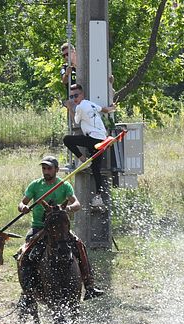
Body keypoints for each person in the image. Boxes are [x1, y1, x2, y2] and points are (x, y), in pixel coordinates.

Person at [17, 156, 104, 300]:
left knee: (79, 245)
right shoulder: (35, 185)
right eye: (44, 168)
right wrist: (23, 207)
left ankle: (89, 286)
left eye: (49, 168)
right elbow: (21, 203)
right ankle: (27, 292)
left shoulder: (64, 185)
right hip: (39, 227)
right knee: (25, 253)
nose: (46, 171)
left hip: (60, 229)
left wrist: (68, 208)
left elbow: (77, 204)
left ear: (56, 170)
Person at [63, 83, 116, 200]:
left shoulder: (80, 107)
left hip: (94, 139)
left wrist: (69, 108)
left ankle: (83, 160)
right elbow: (105, 110)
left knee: (67, 139)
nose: (74, 99)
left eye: (76, 95)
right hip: (102, 139)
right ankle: (98, 197)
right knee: (96, 169)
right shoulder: (90, 103)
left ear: (82, 95)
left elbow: (75, 121)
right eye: (71, 97)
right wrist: (113, 107)